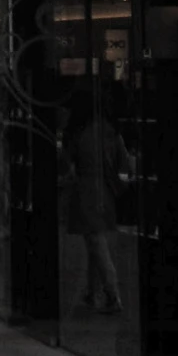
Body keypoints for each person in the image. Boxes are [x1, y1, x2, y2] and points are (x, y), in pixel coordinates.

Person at [64, 84, 127, 314]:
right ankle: (92, 292)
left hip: (86, 190)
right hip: (106, 191)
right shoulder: (110, 129)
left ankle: (112, 293)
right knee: (96, 242)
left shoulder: (78, 132)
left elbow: (67, 165)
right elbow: (124, 161)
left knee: (96, 243)